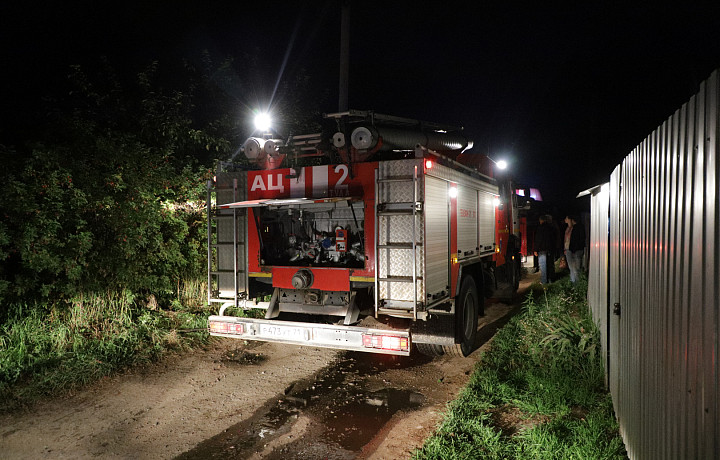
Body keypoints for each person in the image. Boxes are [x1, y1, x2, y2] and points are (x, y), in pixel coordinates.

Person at [533, 214, 557, 285]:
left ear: (541, 220)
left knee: (543, 266)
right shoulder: (551, 228)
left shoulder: (540, 228)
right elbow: (554, 239)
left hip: (542, 249)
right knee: (550, 264)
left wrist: (535, 249)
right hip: (550, 249)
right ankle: (551, 279)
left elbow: (538, 240)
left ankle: (544, 280)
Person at [564, 215, 586, 283]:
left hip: (575, 250)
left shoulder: (576, 228)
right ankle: (573, 282)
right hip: (569, 249)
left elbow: (577, 240)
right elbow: (566, 240)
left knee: (576, 268)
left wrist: (574, 249)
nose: (565, 220)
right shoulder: (568, 228)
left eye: (566, 218)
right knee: (572, 268)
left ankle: (577, 283)